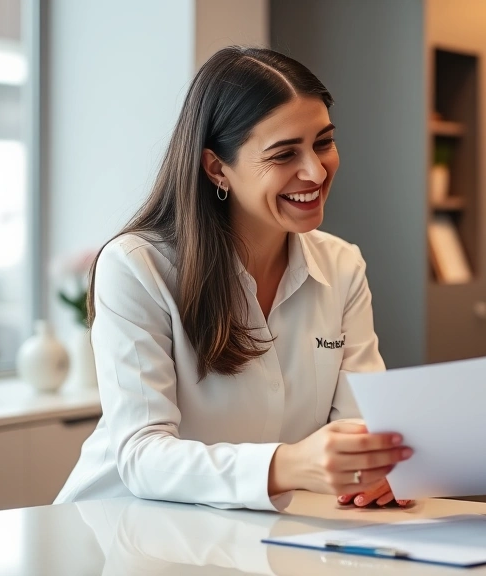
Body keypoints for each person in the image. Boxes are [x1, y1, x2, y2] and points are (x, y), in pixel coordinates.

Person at [55, 47, 411, 511]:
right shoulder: (136, 266)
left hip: (247, 537)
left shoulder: (342, 266)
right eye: (285, 153)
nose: (316, 170)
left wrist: (375, 472)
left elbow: (360, 430)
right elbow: (142, 456)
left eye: (323, 142)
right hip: (119, 528)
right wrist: (288, 465)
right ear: (217, 168)